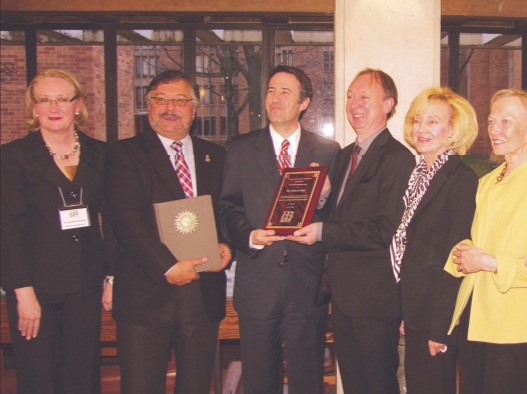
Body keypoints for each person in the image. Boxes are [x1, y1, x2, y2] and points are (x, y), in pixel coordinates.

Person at [287, 68, 416, 394]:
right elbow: (344, 216)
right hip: (342, 297)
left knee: (378, 384)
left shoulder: (399, 158)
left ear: (388, 104)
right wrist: (325, 194)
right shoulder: (345, 156)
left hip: (375, 299)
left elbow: (382, 230)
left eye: (364, 97)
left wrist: (322, 232)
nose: (354, 104)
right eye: (349, 96)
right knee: (354, 385)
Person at [105, 70, 232, 393]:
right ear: (147, 106)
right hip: (146, 293)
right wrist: (168, 266)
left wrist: (226, 245)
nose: (169, 108)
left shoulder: (215, 156)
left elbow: (227, 211)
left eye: (179, 100)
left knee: (196, 385)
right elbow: (126, 219)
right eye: (160, 99)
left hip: (201, 295)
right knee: (141, 386)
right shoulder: (124, 154)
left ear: (194, 108)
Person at [219, 65, 340, 393]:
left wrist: (326, 194)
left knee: (308, 379)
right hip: (258, 283)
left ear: (304, 102)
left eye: (285, 91)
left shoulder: (328, 151)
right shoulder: (240, 149)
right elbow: (227, 205)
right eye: (271, 90)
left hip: (307, 284)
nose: (275, 97)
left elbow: (339, 217)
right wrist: (248, 236)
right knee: (259, 381)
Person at [0, 68, 114, 394]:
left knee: (82, 374)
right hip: (35, 287)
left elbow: (113, 219)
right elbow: (8, 228)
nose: (54, 108)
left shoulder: (100, 154)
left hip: (86, 283)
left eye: (62, 99)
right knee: (40, 377)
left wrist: (111, 277)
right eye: (44, 100)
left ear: (77, 105)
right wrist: (23, 294)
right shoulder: (12, 157)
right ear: (33, 108)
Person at [444, 89, 527, 394]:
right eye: (492, 120)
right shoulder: (486, 181)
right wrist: (460, 254)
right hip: (475, 315)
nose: (494, 129)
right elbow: (471, 245)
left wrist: (488, 261)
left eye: (506, 121)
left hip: (514, 325)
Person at [393, 87, 479, 394]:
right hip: (413, 309)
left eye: (432, 121)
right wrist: (404, 309)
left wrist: (441, 328)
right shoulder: (415, 174)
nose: (421, 129)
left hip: (436, 316)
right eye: (418, 120)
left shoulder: (461, 179)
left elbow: (455, 258)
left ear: (453, 129)